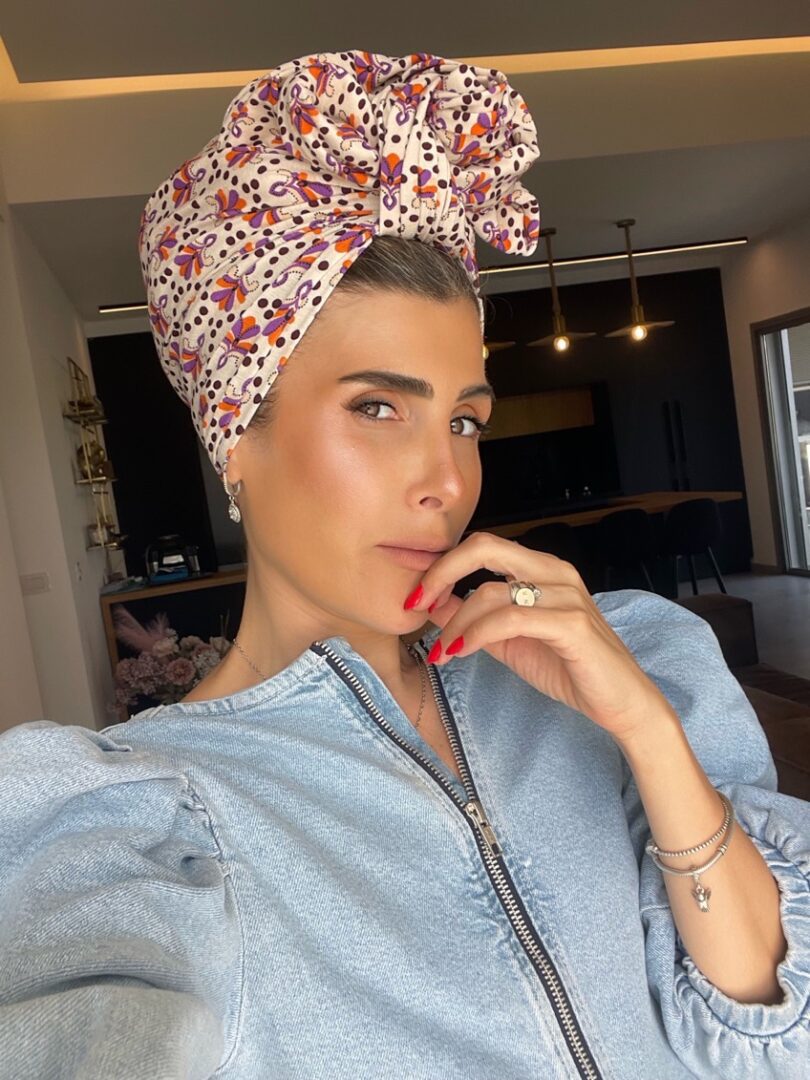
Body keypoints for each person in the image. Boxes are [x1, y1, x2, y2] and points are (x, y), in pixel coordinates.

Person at [1, 49, 808, 1080]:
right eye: (378, 407)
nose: (447, 481)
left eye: (465, 420)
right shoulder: (144, 824)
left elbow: (773, 1040)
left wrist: (649, 734)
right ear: (232, 438)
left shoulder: (629, 662)